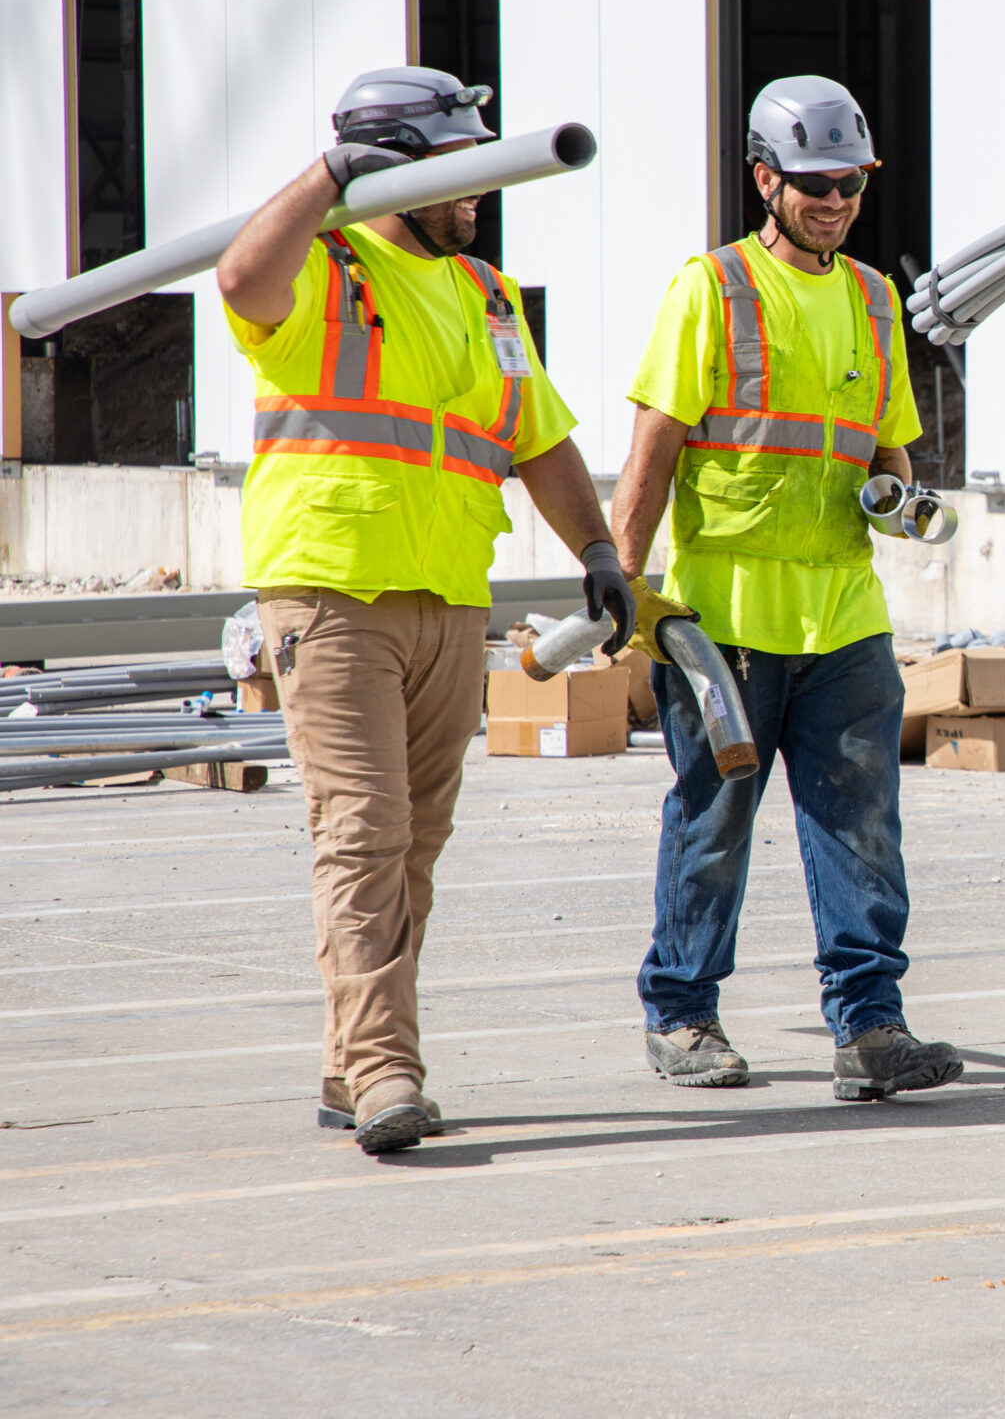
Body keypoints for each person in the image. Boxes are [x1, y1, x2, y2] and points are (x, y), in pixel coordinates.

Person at [214, 66, 632, 1154]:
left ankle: (347, 1063)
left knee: (414, 846)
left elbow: (537, 437)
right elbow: (239, 277)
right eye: (463, 168)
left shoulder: (486, 295)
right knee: (362, 834)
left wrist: (597, 547)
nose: (481, 190)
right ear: (396, 169)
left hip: (450, 594)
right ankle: (389, 1070)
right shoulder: (323, 265)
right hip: (332, 590)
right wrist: (327, 177)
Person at [610, 75, 961, 1103]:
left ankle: (870, 1028)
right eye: (813, 184)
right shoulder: (710, 290)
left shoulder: (873, 297)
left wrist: (904, 499)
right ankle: (680, 1015)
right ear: (764, 179)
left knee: (861, 827)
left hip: (844, 615)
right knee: (712, 825)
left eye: (849, 183)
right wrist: (627, 597)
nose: (836, 201)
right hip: (725, 625)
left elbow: (885, 453)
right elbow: (651, 455)